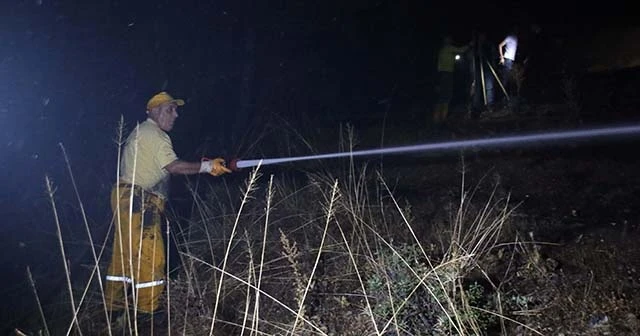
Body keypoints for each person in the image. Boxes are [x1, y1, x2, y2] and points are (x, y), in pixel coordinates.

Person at [104, 92, 231, 320]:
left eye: (176, 110)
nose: (176, 114)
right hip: (138, 199)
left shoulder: (141, 132)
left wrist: (201, 164)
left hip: (124, 196)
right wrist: (208, 167)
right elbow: (173, 166)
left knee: (125, 253)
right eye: (169, 109)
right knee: (151, 255)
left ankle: (114, 309)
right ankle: (148, 312)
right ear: (153, 111)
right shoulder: (156, 134)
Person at [433, 35, 469, 124]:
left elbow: (438, 65)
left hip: (442, 74)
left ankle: (437, 119)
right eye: (449, 39)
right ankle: (442, 119)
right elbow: (461, 50)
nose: (451, 40)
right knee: (447, 96)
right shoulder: (449, 48)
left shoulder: (442, 50)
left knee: (441, 96)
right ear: (447, 41)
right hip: (447, 74)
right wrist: (470, 45)